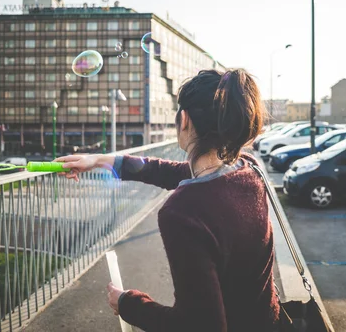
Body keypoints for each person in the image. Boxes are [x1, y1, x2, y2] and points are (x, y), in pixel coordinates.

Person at [55, 69, 280, 332]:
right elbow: (168, 170)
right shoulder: (247, 170)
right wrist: (99, 160)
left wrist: (128, 303)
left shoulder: (183, 212)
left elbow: (199, 326)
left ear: (183, 120)